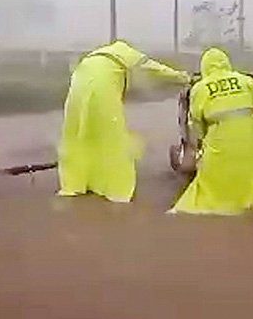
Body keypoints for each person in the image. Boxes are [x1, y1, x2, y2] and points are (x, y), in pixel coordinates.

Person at [57, 39, 189, 202]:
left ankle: (77, 183)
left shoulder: (95, 56)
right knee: (114, 137)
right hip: (101, 90)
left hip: (76, 89)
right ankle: (116, 189)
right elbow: (153, 68)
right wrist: (182, 77)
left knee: (78, 135)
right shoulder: (125, 51)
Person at [169, 46, 253, 215]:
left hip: (220, 136)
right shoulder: (242, 79)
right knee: (249, 175)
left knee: (211, 177)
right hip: (250, 136)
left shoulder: (200, 88)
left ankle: (218, 209)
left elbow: (195, 121)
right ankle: (248, 205)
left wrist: (200, 144)